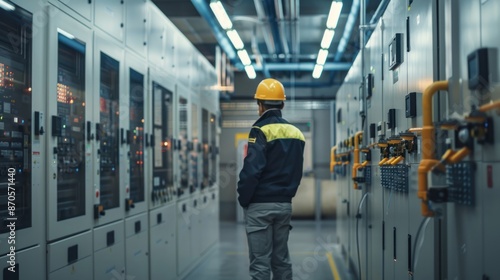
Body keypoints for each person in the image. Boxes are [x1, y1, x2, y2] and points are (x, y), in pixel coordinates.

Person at [237, 78, 305, 280]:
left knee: (260, 264)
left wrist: (244, 198)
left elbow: (251, 171)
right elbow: (296, 172)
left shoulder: (259, 130)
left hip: (260, 207)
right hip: (284, 205)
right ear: (282, 104)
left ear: (259, 104)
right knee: (281, 260)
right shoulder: (297, 133)